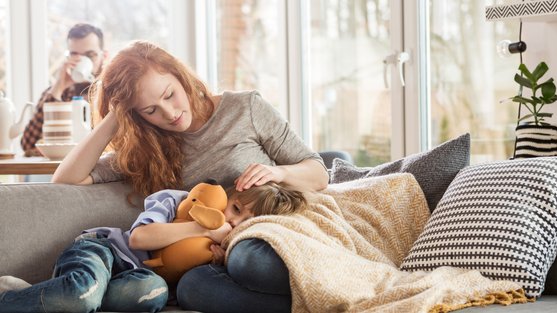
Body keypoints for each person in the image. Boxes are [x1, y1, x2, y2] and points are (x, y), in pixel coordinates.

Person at [51, 40, 328, 312]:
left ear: (180, 76)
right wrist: (115, 114)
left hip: (268, 236)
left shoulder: (245, 109)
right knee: (191, 289)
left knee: (249, 262)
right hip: (214, 259)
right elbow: (66, 178)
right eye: (150, 110)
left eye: (169, 95)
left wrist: (277, 172)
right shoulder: (148, 150)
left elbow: (318, 174)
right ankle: (314, 303)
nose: (169, 113)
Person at [0, 182, 306, 312]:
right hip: (104, 251)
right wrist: (203, 227)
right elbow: (139, 239)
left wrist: (220, 258)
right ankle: (19, 298)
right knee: (83, 294)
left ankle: (44, 294)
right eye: (236, 208)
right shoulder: (181, 201)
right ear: (227, 195)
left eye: (245, 222)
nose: (233, 222)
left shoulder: (230, 253)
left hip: (137, 280)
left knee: (152, 295)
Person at [21, 23, 108, 156]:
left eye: (90, 55)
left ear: (104, 56)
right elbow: (28, 144)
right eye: (75, 55)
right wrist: (58, 87)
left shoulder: (114, 91)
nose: (81, 61)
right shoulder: (60, 92)